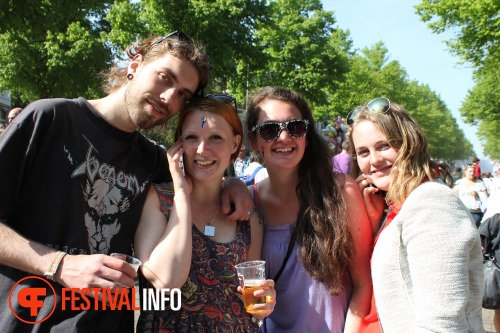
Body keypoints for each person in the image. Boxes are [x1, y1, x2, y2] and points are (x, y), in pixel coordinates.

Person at [0, 31, 253, 332]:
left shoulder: (154, 162)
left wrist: (232, 184)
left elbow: (200, 182)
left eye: (184, 94)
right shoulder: (51, 118)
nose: (169, 98)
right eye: (165, 77)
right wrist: (58, 264)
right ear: (135, 65)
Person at [135, 96, 276, 332]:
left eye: (215, 138)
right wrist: (181, 194)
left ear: (234, 144)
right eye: (192, 138)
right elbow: (165, 282)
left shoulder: (248, 216)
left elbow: (252, 299)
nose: (202, 150)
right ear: (179, 143)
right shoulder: (159, 200)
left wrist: (264, 304)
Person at [347, 97, 484, 332]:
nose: (375, 160)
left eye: (383, 146)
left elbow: (443, 324)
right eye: (363, 152)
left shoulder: (432, 203)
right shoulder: (395, 208)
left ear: (408, 143)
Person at [246, 86, 373, 332]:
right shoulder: (247, 202)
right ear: (254, 141)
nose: (284, 138)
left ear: (306, 135)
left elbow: (363, 284)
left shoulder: (340, 191)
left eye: (295, 127)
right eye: (270, 130)